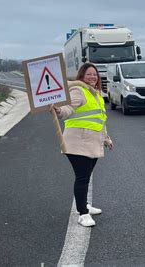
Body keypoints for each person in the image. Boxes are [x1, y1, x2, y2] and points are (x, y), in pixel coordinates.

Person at [51, 63, 113, 227]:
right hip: (77, 143)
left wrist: (106, 139)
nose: (93, 77)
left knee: (86, 176)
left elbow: (100, 120)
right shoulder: (78, 90)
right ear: (81, 76)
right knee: (83, 178)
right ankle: (82, 213)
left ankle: (84, 204)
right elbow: (68, 109)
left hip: (92, 143)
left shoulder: (96, 94)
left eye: (95, 74)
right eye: (89, 74)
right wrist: (59, 111)